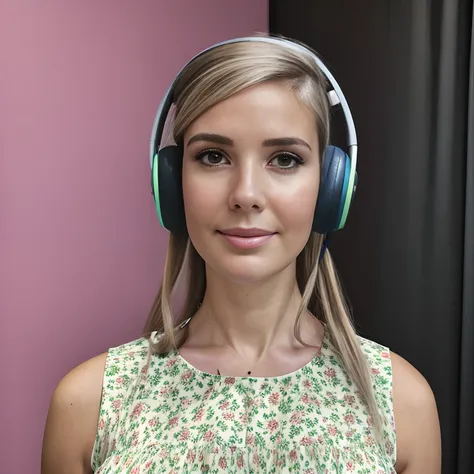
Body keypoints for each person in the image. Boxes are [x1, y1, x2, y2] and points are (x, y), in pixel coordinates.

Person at [41, 35, 441, 474]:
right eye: (213, 156)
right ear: (173, 186)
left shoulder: (401, 403)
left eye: (285, 159)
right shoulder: (89, 403)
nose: (246, 195)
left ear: (330, 189)